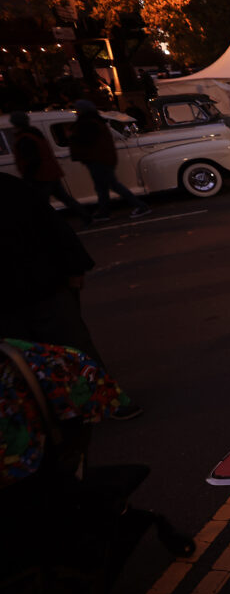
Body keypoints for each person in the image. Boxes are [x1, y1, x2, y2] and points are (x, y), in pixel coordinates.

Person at [0, 171, 142, 419]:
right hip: (18, 296)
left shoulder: (9, 188)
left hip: (42, 286)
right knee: (22, 361)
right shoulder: (11, 186)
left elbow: (51, 226)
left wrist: (75, 267)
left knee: (73, 348)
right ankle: (48, 412)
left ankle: (108, 399)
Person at [68, 100, 150, 221]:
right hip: (101, 158)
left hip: (97, 159)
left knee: (110, 185)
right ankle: (105, 211)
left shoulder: (88, 123)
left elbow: (85, 141)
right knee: (103, 186)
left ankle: (139, 206)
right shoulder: (96, 121)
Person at [11, 111, 92, 224]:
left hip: (41, 176)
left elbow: (32, 160)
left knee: (41, 204)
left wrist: (28, 177)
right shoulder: (36, 134)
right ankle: (86, 216)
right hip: (51, 172)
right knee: (65, 199)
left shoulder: (25, 139)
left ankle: (46, 226)